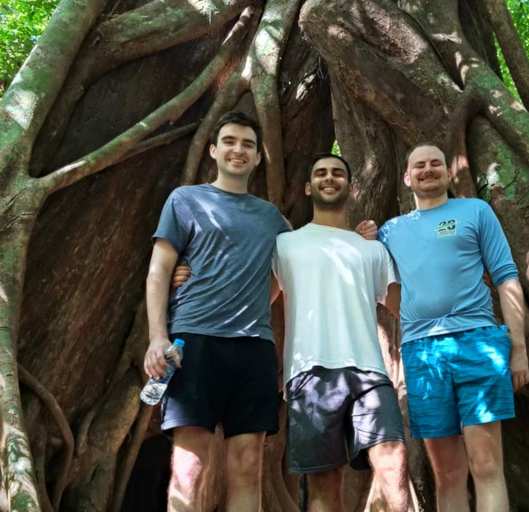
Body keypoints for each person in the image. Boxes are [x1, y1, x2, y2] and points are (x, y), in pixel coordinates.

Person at [144, 111, 288, 512]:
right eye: (229, 141)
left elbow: (296, 266)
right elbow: (159, 269)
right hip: (195, 343)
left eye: (247, 144)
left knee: (247, 464)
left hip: (254, 347)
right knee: (190, 465)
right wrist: (158, 336)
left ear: (258, 157)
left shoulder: (271, 217)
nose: (237, 150)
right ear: (213, 150)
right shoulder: (186, 200)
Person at [377, 143, 529, 512]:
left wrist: (518, 347)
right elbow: (382, 289)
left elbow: (506, 276)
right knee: (446, 472)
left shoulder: (474, 211)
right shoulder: (390, 231)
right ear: (407, 177)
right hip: (421, 353)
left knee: (487, 464)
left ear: (448, 173)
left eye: (436, 164)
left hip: (477, 343)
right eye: (420, 165)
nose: (428, 170)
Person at [271, 153, 409, 512]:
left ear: (351, 186)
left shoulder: (372, 248)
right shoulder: (285, 245)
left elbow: (404, 309)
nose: (328, 178)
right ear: (307, 187)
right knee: (324, 484)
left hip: (370, 371)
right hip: (309, 373)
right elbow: (255, 304)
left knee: (393, 464)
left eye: (337, 173)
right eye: (320, 173)